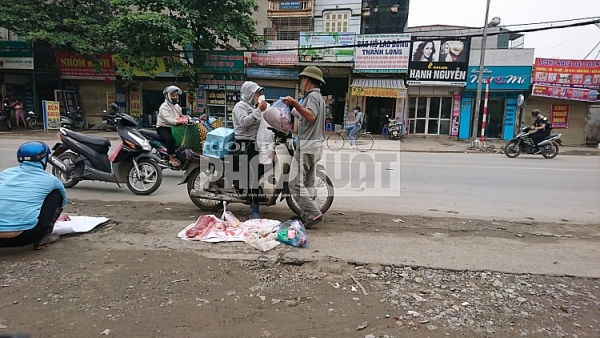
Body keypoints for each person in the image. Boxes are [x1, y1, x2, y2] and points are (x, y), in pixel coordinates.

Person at [0, 141, 67, 250]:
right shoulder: (51, 180)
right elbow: (63, 202)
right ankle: (44, 238)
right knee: (56, 194)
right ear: (43, 159)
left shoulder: (4, 174)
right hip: (24, 236)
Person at [283, 66, 326, 229]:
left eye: (302, 79)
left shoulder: (313, 96)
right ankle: (306, 214)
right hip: (316, 145)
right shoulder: (318, 97)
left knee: (294, 183)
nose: (301, 82)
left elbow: (311, 116)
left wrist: (294, 102)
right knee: (307, 183)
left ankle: (314, 214)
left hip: (308, 145)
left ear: (307, 79)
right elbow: (305, 116)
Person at [232, 81, 268, 219]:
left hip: (255, 142)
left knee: (267, 165)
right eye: (257, 93)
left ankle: (254, 193)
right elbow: (245, 123)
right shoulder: (240, 106)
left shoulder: (253, 107)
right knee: (253, 173)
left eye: (259, 93)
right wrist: (259, 110)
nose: (259, 96)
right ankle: (254, 209)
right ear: (249, 94)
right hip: (243, 144)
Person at [157, 85, 187, 167]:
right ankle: (171, 158)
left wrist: (190, 119)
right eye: (173, 96)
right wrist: (178, 122)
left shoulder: (176, 106)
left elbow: (182, 115)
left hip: (174, 128)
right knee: (170, 139)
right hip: (163, 127)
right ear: (168, 96)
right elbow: (168, 119)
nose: (175, 97)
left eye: (176, 95)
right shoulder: (164, 107)